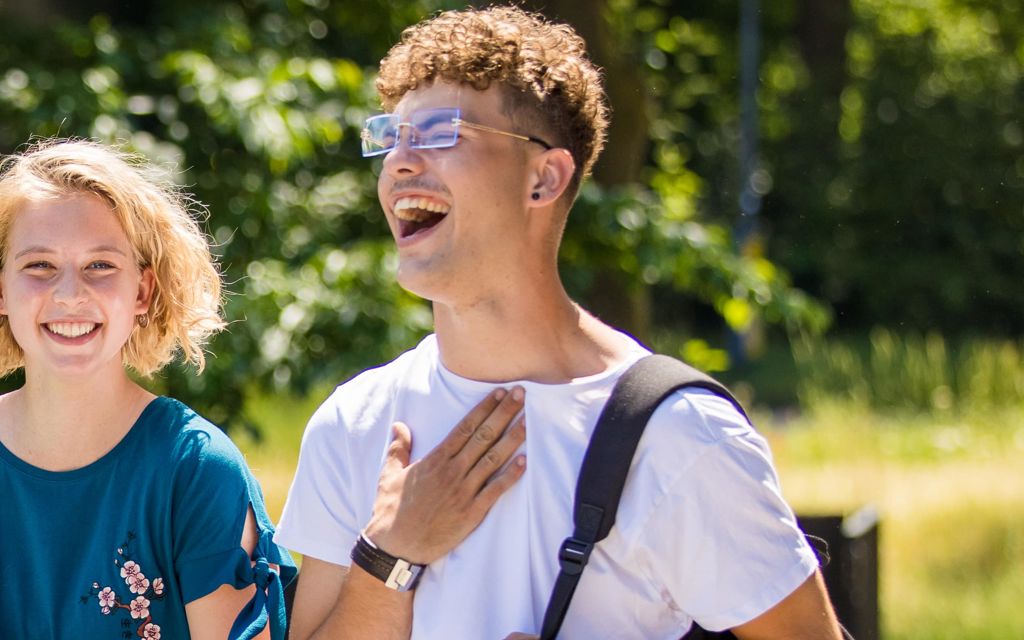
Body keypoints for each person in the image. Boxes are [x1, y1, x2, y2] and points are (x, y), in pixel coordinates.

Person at [274, 8, 844, 639]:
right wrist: (391, 552)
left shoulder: (680, 438)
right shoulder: (354, 423)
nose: (399, 163)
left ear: (544, 178)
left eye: (439, 132)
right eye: (391, 136)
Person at [0, 139, 292, 640]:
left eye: (100, 266)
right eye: (39, 266)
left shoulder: (195, 467)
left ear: (142, 292)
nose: (70, 294)